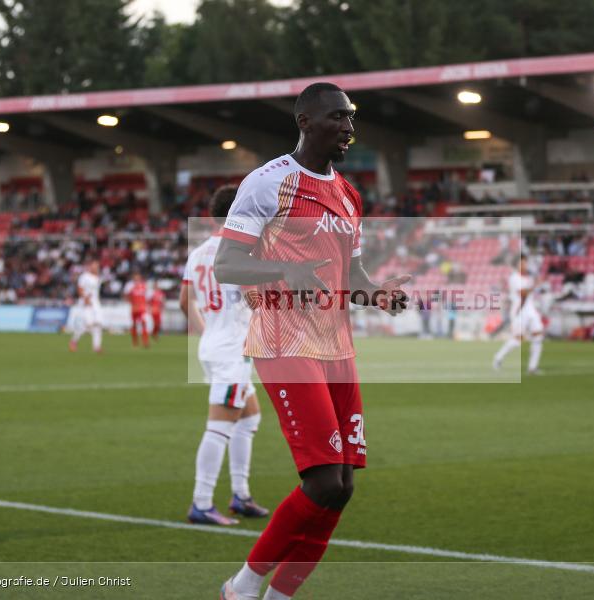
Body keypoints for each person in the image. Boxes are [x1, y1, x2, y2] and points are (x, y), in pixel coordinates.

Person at [214, 82, 410, 600]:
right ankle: (242, 587)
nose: (348, 127)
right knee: (322, 482)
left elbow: (354, 275)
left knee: (341, 489)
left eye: (351, 118)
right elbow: (227, 264)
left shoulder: (348, 193)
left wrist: (377, 294)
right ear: (305, 121)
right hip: (284, 341)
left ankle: (279, 597)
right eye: (338, 117)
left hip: (337, 347)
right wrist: (287, 270)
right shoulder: (266, 183)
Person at [181, 185, 270, 527]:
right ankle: (201, 503)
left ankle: (241, 495)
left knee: (248, 419)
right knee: (219, 426)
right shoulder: (241, 251)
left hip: (216, 345)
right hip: (233, 350)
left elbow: (183, 301)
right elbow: (254, 300)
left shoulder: (199, 252)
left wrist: (208, 332)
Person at [492, 254, 544, 374]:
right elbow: (523, 293)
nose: (524, 265)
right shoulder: (514, 278)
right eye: (521, 263)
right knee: (517, 341)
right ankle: (498, 357)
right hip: (519, 311)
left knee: (538, 336)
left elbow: (537, 289)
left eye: (525, 262)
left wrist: (538, 283)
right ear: (516, 265)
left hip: (531, 309)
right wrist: (536, 284)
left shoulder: (529, 277)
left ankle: (532, 367)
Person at [69, 259, 103, 353]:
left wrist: (96, 302)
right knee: (88, 324)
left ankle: (97, 347)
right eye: (94, 265)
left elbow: (96, 292)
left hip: (95, 303)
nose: (96, 268)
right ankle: (74, 341)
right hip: (86, 302)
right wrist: (85, 299)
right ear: (90, 266)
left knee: (98, 324)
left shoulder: (98, 278)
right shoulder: (84, 276)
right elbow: (80, 289)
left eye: (97, 266)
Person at [126, 271, 150, 348]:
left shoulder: (144, 285)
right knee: (134, 325)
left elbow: (147, 296)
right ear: (133, 277)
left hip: (142, 309)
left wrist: (147, 305)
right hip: (134, 309)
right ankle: (135, 341)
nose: (136, 278)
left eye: (138, 276)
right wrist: (131, 302)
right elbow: (126, 296)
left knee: (144, 323)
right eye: (135, 276)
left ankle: (145, 342)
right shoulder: (129, 285)